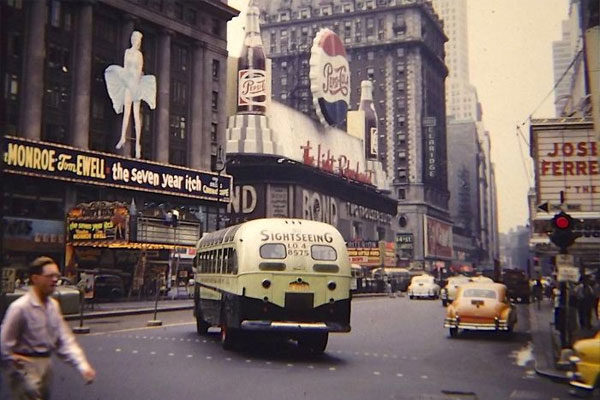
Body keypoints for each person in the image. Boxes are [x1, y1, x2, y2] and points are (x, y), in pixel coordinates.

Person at [1, 256, 96, 399]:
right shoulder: (20, 307)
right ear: (35, 278)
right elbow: (4, 344)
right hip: (24, 367)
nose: (55, 280)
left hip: (46, 365)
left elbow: (64, 340)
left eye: (56, 276)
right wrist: (15, 364)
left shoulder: (53, 306)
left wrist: (82, 365)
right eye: (49, 276)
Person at [105, 30, 156, 158]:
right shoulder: (127, 52)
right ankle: (122, 137)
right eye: (135, 39)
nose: (136, 41)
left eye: (138, 40)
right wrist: (126, 80)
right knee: (127, 113)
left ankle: (138, 144)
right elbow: (125, 67)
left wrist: (135, 84)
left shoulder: (139, 55)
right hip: (128, 83)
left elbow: (139, 71)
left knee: (136, 115)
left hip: (136, 84)